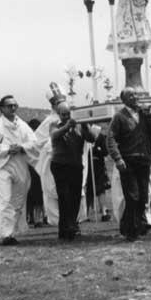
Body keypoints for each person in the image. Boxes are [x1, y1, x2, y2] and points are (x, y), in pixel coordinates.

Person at [107, 87, 151, 241]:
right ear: (124, 99)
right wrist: (118, 158)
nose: (135, 97)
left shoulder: (144, 115)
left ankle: (132, 226)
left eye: (136, 94)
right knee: (132, 196)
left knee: (143, 197)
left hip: (144, 160)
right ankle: (132, 231)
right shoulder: (119, 117)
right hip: (128, 161)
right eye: (130, 95)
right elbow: (110, 139)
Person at [0, 95, 39, 245]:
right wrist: (6, 149)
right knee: (5, 199)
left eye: (15, 105)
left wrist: (22, 147)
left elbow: (33, 143)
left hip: (20, 163)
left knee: (18, 199)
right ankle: (6, 234)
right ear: (2, 108)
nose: (13, 108)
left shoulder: (23, 126)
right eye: (9, 106)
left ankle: (12, 232)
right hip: (3, 166)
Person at [48, 100, 93, 240]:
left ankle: (72, 225)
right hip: (60, 165)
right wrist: (67, 126)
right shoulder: (54, 125)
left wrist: (85, 126)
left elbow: (92, 138)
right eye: (63, 114)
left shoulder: (80, 126)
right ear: (58, 114)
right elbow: (54, 135)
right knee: (64, 197)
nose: (67, 117)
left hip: (75, 165)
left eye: (69, 114)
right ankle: (65, 228)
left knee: (75, 197)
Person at [34, 85, 68, 228]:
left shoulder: (70, 117)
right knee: (52, 190)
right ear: (52, 105)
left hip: (69, 160)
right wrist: (51, 145)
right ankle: (56, 220)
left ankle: (71, 219)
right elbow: (36, 141)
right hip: (51, 161)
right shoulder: (48, 122)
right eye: (56, 103)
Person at [85, 127, 112, 222]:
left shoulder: (101, 138)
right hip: (88, 167)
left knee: (101, 189)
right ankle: (86, 214)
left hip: (99, 167)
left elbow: (105, 151)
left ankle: (104, 212)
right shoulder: (86, 135)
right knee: (88, 191)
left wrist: (98, 149)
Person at [25, 118, 46, 227]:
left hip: (35, 169)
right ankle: (35, 218)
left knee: (36, 195)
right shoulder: (29, 140)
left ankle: (36, 218)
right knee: (35, 195)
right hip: (33, 169)